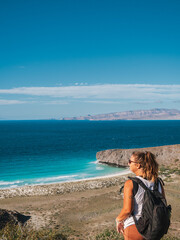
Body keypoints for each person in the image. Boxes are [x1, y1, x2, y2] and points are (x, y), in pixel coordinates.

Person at [116, 151, 165, 240]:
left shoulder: (130, 183)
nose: (128, 163)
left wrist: (118, 220)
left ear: (138, 165)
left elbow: (127, 210)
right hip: (154, 229)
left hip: (135, 228)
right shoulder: (158, 183)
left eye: (130, 161)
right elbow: (163, 204)